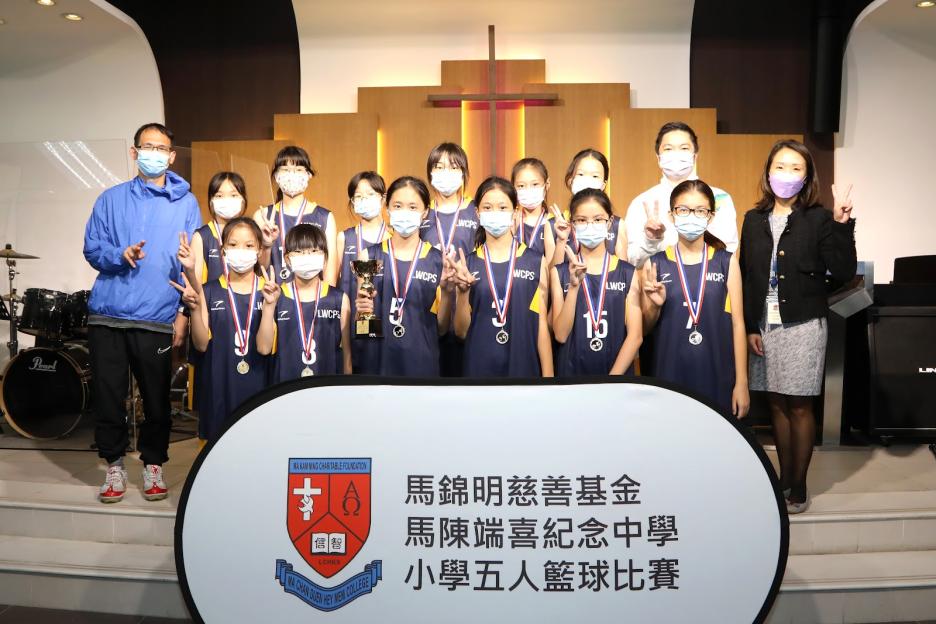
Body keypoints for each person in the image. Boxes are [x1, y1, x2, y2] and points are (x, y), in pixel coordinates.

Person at [83, 122, 200, 503]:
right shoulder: (110, 199)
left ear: (172, 156)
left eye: (161, 148)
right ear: (134, 152)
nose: (154, 154)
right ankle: (114, 465)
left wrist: (183, 313)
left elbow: (192, 263)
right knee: (108, 395)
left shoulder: (187, 204)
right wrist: (120, 254)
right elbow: (92, 249)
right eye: (147, 147)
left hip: (157, 317)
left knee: (156, 399)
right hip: (108, 315)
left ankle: (153, 464)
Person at [739, 139, 856, 513]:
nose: (786, 175)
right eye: (780, 166)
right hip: (764, 326)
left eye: (795, 168)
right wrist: (750, 327)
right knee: (775, 403)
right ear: (767, 172)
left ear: (807, 177)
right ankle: (783, 479)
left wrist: (841, 224)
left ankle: (799, 485)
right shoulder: (753, 220)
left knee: (800, 406)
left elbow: (843, 271)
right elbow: (747, 276)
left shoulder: (819, 218)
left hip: (804, 324)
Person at [641, 179, 749, 420]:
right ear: (671, 215)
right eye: (683, 210)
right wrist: (654, 307)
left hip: (717, 373)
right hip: (669, 375)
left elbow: (738, 325)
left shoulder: (726, 262)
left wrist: (742, 382)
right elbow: (645, 329)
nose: (691, 216)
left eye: (700, 210)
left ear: (710, 216)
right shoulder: (656, 263)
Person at [176, 218, 269, 443]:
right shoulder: (208, 291)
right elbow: (201, 344)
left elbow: (266, 347)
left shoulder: (270, 292)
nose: (241, 251)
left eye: (249, 245)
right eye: (233, 244)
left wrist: (270, 305)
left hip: (261, 391)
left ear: (259, 250)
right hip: (218, 391)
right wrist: (195, 307)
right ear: (223, 250)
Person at [452, 177, 553, 377]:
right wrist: (463, 293)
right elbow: (461, 332)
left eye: (502, 207)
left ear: (515, 212)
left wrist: (548, 377)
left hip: (523, 368)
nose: (495, 213)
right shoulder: (467, 265)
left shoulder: (535, 261)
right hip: (479, 370)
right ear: (477, 213)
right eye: (487, 208)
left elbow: (541, 325)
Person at [355, 176, 456, 376]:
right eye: (398, 206)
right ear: (387, 208)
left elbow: (442, 328)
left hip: (422, 364)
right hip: (379, 365)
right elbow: (364, 328)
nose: (404, 212)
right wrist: (362, 313)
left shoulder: (438, 261)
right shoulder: (368, 256)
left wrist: (446, 292)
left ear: (425, 212)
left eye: (413, 207)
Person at [551, 189, 642, 376]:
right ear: (573, 224)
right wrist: (574, 287)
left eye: (598, 219)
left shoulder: (627, 272)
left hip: (616, 380)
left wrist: (612, 382)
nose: (590, 225)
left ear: (609, 222)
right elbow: (560, 334)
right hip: (571, 377)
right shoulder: (559, 272)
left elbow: (635, 336)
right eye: (582, 220)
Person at [624, 121, 738, 268]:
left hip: (709, 279)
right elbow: (633, 261)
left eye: (684, 148)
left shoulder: (720, 198)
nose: (676, 154)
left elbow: (729, 253)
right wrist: (650, 240)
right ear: (658, 158)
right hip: (660, 281)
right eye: (668, 149)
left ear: (694, 156)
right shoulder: (642, 202)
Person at [257, 224, 351, 380]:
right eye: (299, 252)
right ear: (287, 259)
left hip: (328, 387)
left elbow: (347, 354)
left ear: (325, 258)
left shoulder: (339, 299)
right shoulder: (276, 296)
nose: (307, 256)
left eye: (314, 251)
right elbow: (263, 348)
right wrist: (269, 306)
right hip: (285, 387)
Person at [254, 145, 338, 285]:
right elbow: (258, 269)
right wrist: (267, 245)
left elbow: (329, 273)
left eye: (298, 170)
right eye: (285, 170)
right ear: (276, 176)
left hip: (312, 295)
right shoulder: (263, 216)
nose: (292, 175)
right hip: (272, 294)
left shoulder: (324, 217)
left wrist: (326, 297)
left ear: (308, 175)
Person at [337, 172, 389, 374]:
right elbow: (332, 286)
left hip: (386, 323)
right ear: (352, 201)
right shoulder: (344, 238)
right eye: (358, 196)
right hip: (350, 323)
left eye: (370, 194)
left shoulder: (393, 237)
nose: (364, 200)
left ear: (383, 198)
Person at [561, 148, 625, 259]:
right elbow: (551, 268)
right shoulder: (555, 224)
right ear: (571, 179)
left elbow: (624, 268)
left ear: (603, 184)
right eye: (581, 174)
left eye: (595, 176)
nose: (587, 180)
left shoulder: (617, 225)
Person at [511, 158, 560, 264]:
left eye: (535, 184)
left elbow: (555, 268)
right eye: (521, 186)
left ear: (547, 184)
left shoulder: (554, 224)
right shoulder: (511, 221)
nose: (528, 190)